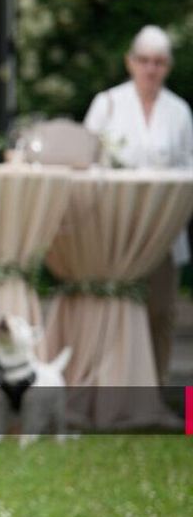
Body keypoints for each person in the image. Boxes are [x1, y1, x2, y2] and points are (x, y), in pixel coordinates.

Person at [84, 25, 193, 383]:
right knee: (114, 310)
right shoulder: (108, 103)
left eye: (159, 62)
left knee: (160, 313)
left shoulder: (179, 112)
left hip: (162, 232)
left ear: (168, 66)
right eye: (144, 60)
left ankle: (155, 393)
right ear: (130, 62)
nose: (151, 69)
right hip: (115, 230)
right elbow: (85, 163)